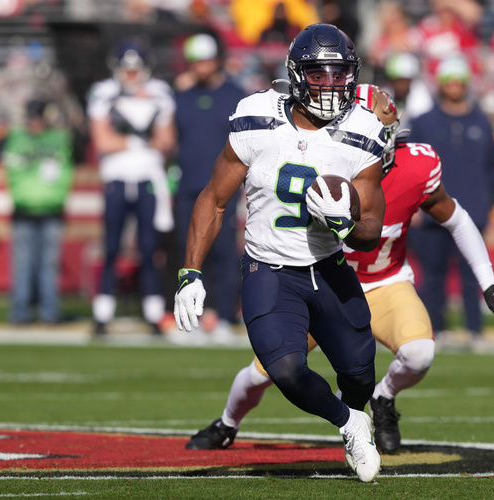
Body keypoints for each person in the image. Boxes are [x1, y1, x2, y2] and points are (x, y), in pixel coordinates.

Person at [183, 84, 494, 455]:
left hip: (384, 282)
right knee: (264, 372)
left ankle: (383, 400)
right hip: (324, 281)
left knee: (420, 353)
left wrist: (489, 283)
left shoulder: (415, 166)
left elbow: (455, 218)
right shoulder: (319, 159)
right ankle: (227, 423)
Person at [173, 24, 386, 482]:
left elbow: (371, 228)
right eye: (318, 73)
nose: (330, 86)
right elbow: (213, 198)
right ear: (295, 73)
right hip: (269, 268)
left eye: (339, 74)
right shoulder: (255, 116)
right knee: (286, 369)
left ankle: (355, 413)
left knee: (360, 373)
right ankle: (350, 425)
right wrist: (190, 272)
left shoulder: (363, 129)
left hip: (329, 268)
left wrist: (344, 223)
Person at [408, 56, 494, 347]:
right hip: (431, 210)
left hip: (472, 209)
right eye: (448, 82)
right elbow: (410, 165)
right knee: (433, 275)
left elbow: (493, 165)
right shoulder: (424, 121)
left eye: (457, 82)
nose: (453, 87)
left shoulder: (481, 121)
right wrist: (412, 204)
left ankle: (475, 331)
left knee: (472, 274)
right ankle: (435, 329)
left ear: (465, 84)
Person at [87, 39, 175, 335]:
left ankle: (153, 312)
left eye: (137, 69)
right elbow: (102, 141)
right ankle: (102, 313)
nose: (132, 75)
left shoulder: (159, 94)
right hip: (116, 180)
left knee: (150, 249)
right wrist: (139, 140)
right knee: (111, 248)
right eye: (127, 69)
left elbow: (166, 141)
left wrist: (127, 139)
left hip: (149, 180)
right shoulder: (103, 93)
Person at [172, 33, 245, 341]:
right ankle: (190, 318)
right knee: (187, 252)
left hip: (223, 189)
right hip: (187, 185)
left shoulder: (235, 96)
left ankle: (224, 315)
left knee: (225, 254)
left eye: (204, 60)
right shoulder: (181, 97)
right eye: (195, 61)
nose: (200, 66)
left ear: (216, 60)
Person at [3, 98, 73, 324]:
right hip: (23, 208)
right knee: (23, 264)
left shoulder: (59, 138)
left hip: (51, 209)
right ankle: (20, 310)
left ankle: (49, 311)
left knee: (48, 265)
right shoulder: (16, 138)